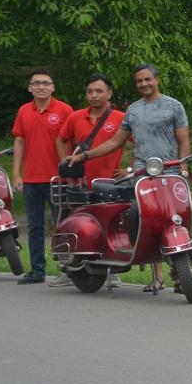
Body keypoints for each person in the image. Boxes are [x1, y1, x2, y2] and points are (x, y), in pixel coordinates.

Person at [66, 64, 190, 292]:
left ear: (157, 80)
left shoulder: (174, 106)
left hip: (170, 172)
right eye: (139, 81)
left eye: (147, 79)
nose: (144, 84)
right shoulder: (133, 110)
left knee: (178, 218)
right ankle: (157, 276)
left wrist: (183, 167)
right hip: (143, 175)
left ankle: (183, 271)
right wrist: (84, 155)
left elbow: (184, 141)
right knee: (145, 220)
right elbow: (115, 142)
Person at [51, 73, 127, 288]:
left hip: (110, 183)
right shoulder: (75, 117)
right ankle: (69, 269)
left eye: (99, 91)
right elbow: (61, 139)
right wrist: (66, 165)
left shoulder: (120, 117)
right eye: (90, 91)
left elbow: (136, 141)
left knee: (112, 227)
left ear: (109, 93)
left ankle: (114, 272)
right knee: (75, 226)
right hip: (80, 184)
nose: (94, 96)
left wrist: (128, 167)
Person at [11, 68, 73, 284]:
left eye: (46, 83)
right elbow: (19, 141)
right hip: (31, 179)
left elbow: (72, 143)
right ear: (30, 88)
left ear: (53, 87)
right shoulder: (24, 111)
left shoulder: (65, 110)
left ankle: (67, 269)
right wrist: (16, 173)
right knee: (34, 226)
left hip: (58, 179)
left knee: (63, 224)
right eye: (36, 83)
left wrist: (71, 174)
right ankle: (38, 271)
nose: (41, 86)